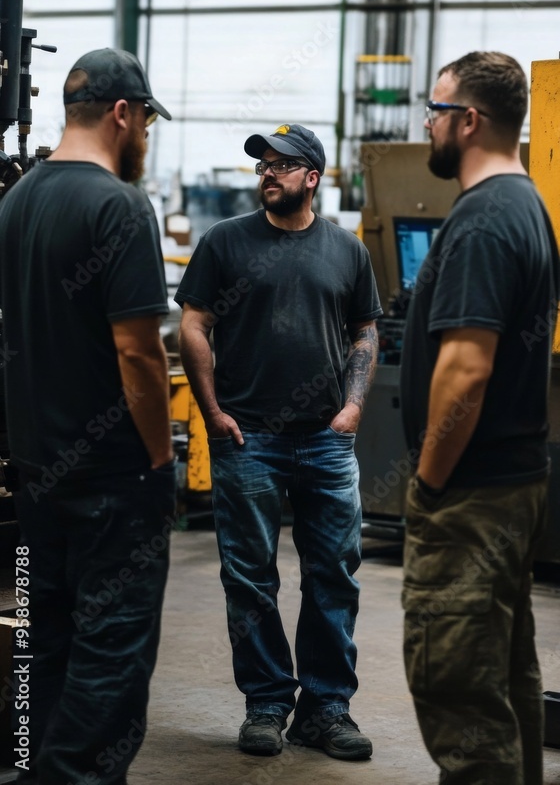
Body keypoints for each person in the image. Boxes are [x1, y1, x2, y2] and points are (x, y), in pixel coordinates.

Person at [176, 123, 382, 761]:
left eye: (282, 164)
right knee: (249, 581)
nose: (268, 172)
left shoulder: (347, 250)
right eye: (263, 164)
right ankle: (266, 704)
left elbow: (365, 330)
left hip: (326, 441)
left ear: (311, 177)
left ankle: (325, 710)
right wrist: (212, 412)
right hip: (248, 439)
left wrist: (353, 406)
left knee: (333, 577)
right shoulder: (225, 242)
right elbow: (193, 324)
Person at [0, 48, 176, 785]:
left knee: (45, 639)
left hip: (37, 468)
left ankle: (31, 769)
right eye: (146, 126)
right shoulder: (119, 206)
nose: (145, 141)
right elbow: (139, 353)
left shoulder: (17, 200)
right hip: (112, 477)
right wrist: (160, 460)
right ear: (123, 114)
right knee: (112, 649)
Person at [400, 51, 560, 785]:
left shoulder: (485, 219)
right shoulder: (525, 204)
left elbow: (466, 369)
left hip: (470, 495)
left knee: (459, 690)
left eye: (434, 112)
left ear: (467, 120)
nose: (426, 125)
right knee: (504, 679)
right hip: (511, 485)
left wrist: (430, 483)